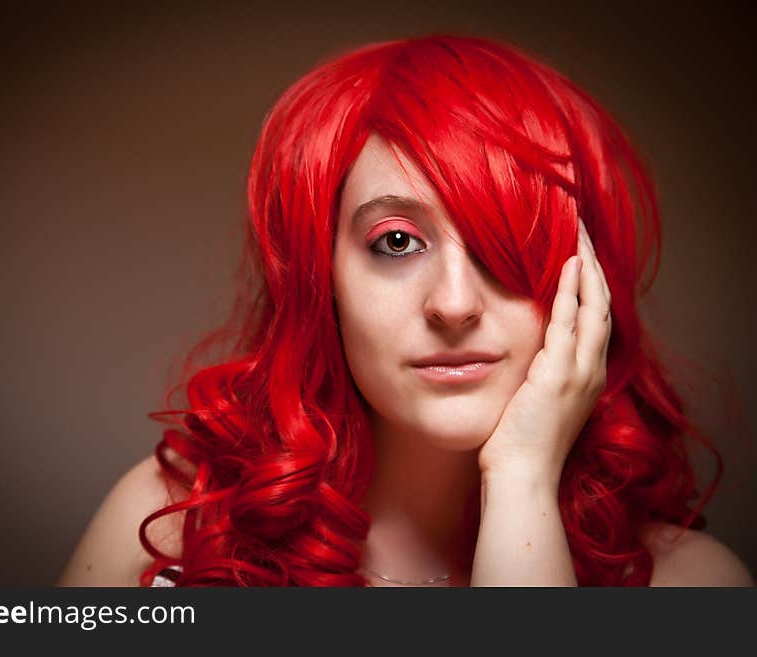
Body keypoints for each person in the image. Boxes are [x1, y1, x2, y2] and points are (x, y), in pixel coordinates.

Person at [57, 33, 754, 587]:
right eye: (396, 242)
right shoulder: (170, 525)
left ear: (589, 281)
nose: (453, 304)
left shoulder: (691, 586)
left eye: (508, 241)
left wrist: (521, 482)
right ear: (320, 279)